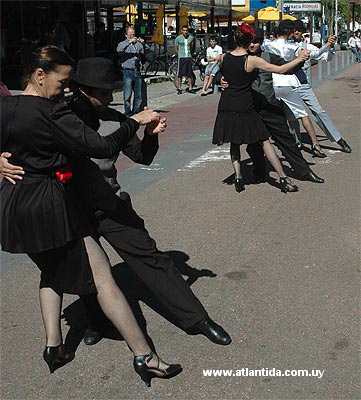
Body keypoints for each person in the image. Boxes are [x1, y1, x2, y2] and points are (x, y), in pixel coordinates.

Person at [0, 57, 232, 348]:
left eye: (112, 92)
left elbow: (142, 156)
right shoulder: (56, 115)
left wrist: (149, 135)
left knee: (150, 256)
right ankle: (96, 322)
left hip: (109, 202)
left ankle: (197, 319)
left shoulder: (115, 120)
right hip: (68, 207)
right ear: (82, 90)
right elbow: (21, 143)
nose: (111, 98)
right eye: (104, 93)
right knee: (86, 270)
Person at [0, 46, 181, 386]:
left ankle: (54, 346)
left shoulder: (4, 105)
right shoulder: (52, 113)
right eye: (62, 81)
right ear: (40, 76)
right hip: (48, 204)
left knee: (51, 270)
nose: (66, 89)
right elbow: (101, 147)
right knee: (101, 277)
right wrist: (134, 121)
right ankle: (145, 355)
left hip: (12, 204)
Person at [220, 28, 324, 185]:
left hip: (268, 104)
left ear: (261, 42)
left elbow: (288, 68)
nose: (253, 45)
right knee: (254, 144)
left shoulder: (269, 56)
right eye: (252, 41)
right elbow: (223, 70)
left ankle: (304, 171)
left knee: (285, 138)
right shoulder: (238, 57)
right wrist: (221, 80)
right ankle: (260, 172)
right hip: (248, 106)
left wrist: (300, 59)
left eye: (257, 41)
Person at [263, 20, 328, 158]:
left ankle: (270, 147)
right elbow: (313, 55)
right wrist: (326, 46)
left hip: (272, 82)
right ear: (289, 32)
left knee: (275, 116)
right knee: (302, 114)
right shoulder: (293, 46)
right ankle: (316, 145)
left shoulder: (267, 44)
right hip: (289, 81)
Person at [293, 20, 352, 153]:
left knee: (319, 111)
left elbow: (327, 58)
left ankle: (338, 139)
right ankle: (296, 144)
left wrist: (330, 46)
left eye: (299, 30)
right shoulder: (283, 45)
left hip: (303, 85)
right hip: (288, 86)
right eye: (294, 29)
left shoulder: (308, 46)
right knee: (292, 116)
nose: (296, 32)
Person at [117, 26, 145, 116]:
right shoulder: (122, 43)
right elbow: (119, 49)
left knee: (138, 95)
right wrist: (129, 42)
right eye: (130, 34)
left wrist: (143, 43)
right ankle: (128, 113)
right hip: (127, 72)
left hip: (137, 71)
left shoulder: (137, 44)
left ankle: (136, 112)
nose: (132, 35)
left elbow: (145, 51)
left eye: (133, 34)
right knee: (127, 95)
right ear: (126, 35)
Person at [174, 25, 196, 95]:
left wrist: (190, 54)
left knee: (189, 73)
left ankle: (190, 88)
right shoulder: (178, 39)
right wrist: (179, 54)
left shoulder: (191, 38)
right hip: (181, 57)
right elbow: (176, 48)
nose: (185, 32)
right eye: (184, 30)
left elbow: (192, 47)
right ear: (182, 31)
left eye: (186, 30)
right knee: (180, 74)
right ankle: (179, 88)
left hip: (188, 57)